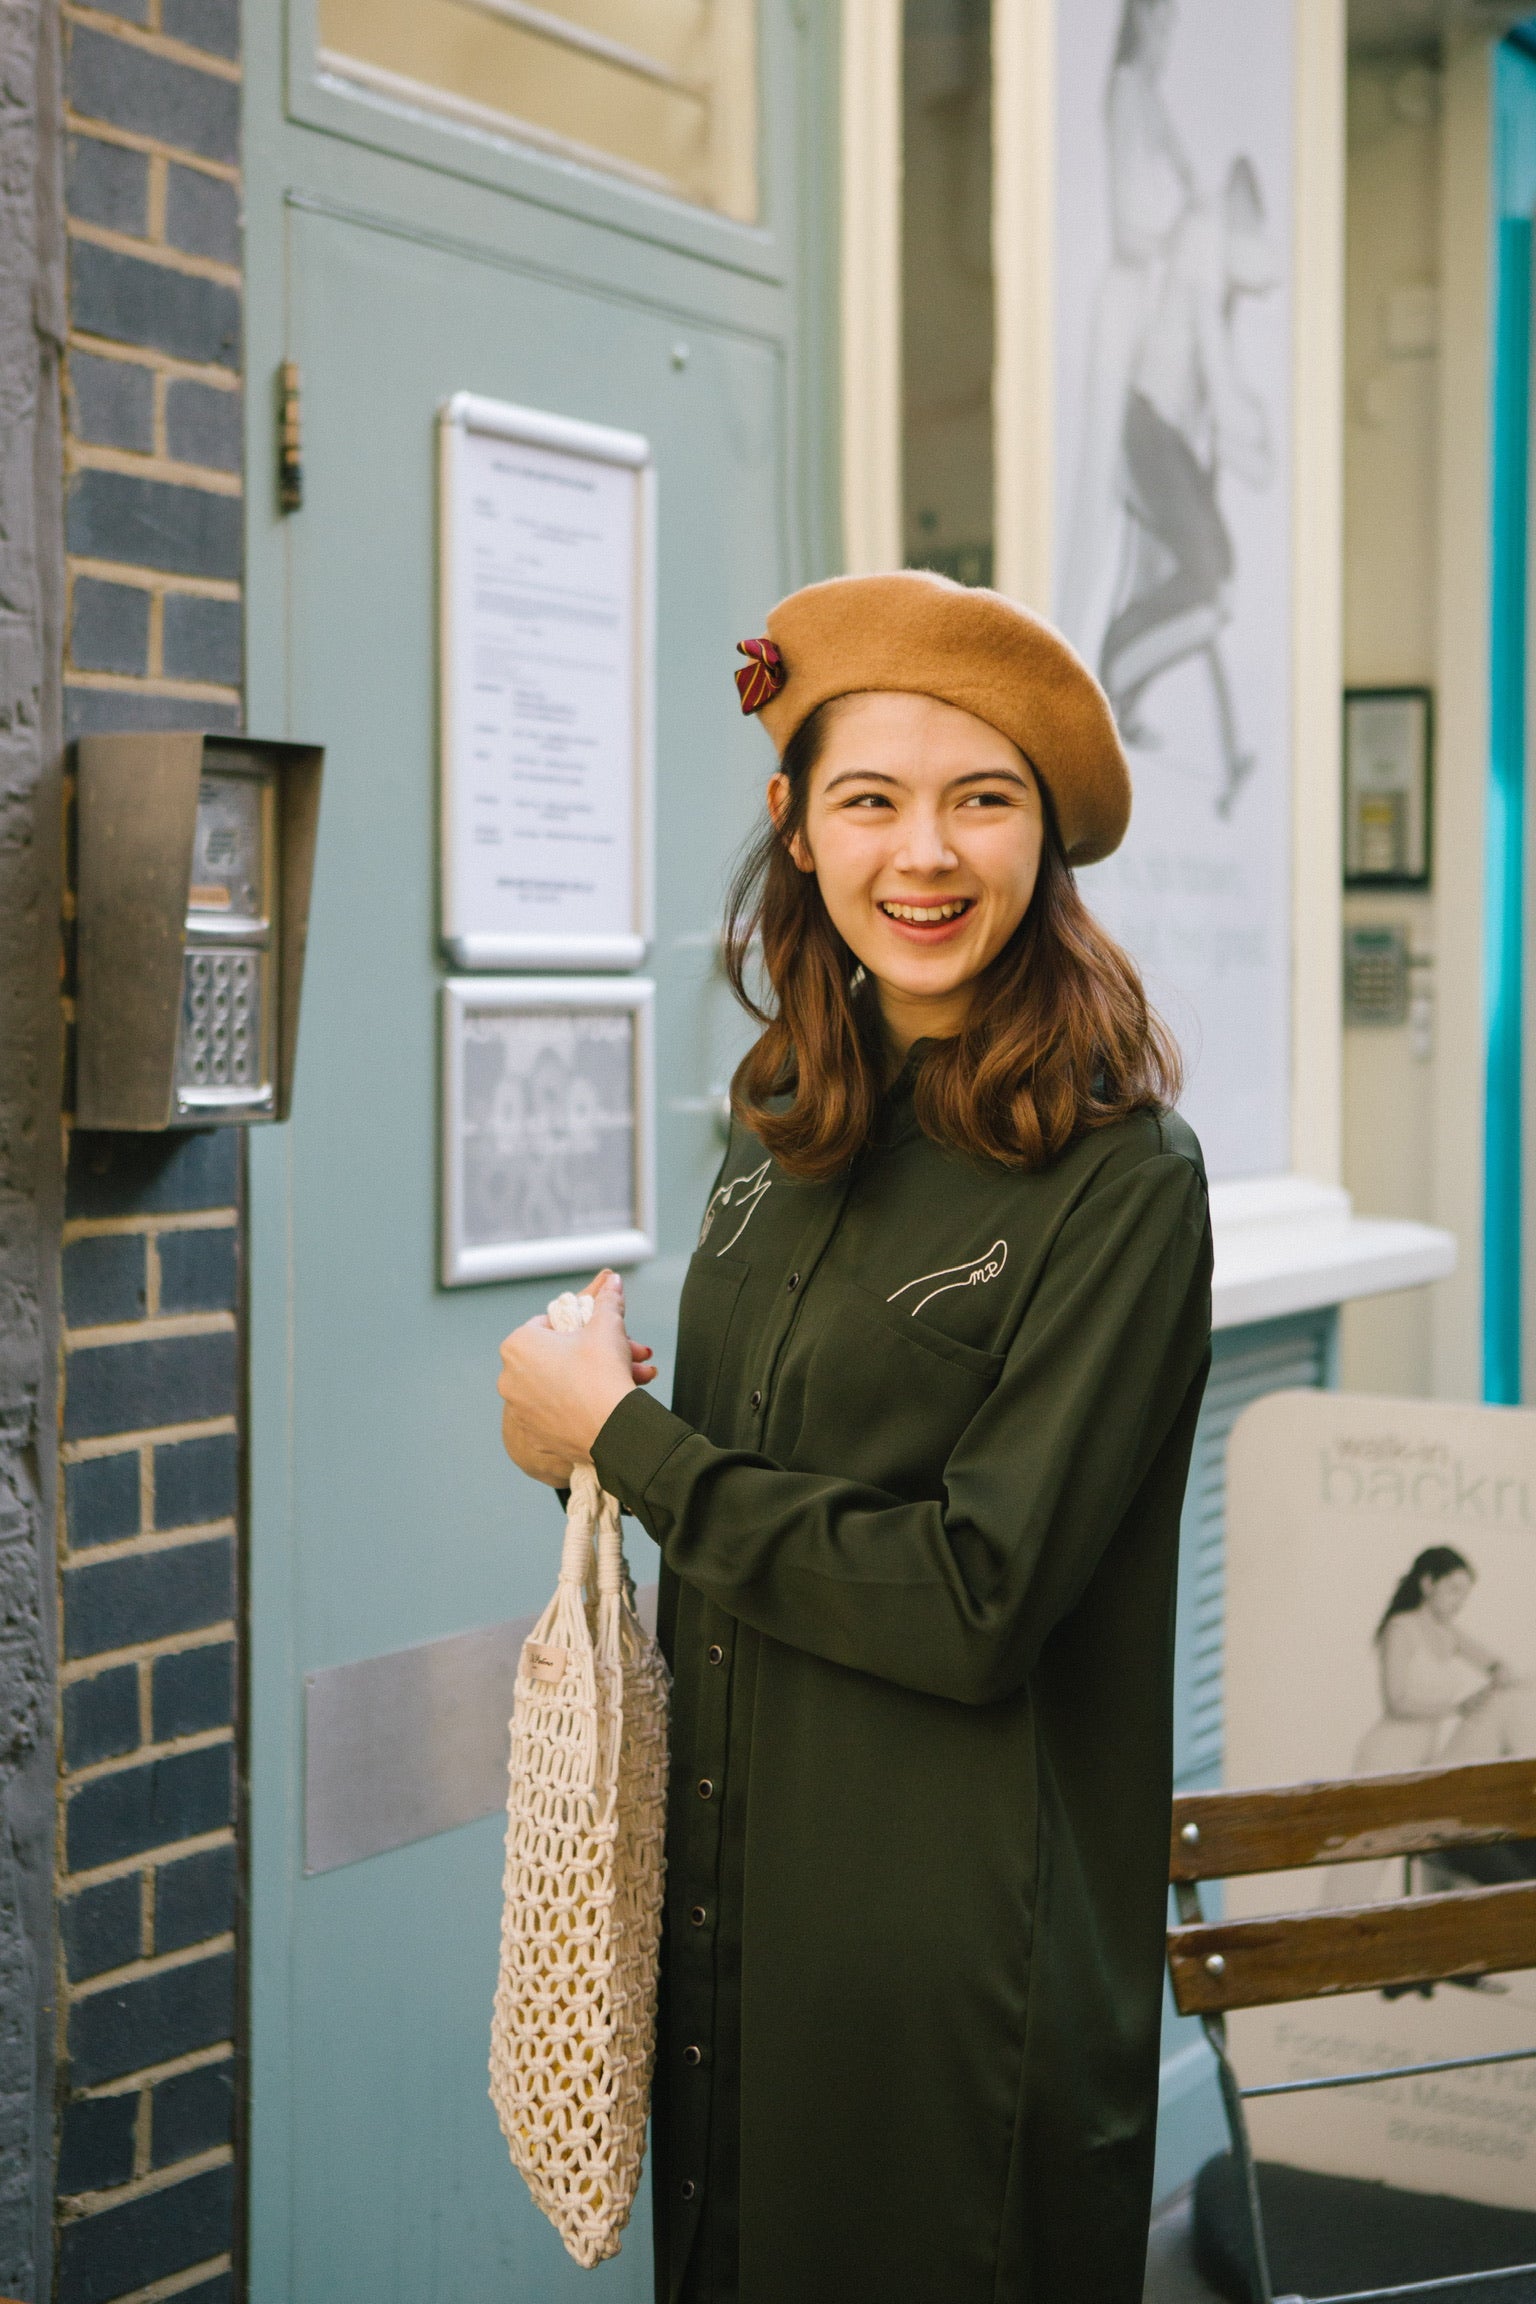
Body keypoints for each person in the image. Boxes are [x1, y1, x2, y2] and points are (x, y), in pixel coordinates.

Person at [495, 570, 1214, 2304]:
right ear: (795, 829)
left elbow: (976, 1593)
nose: (927, 854)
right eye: (870, 798)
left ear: (1047, 835)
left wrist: (636, 1442)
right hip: (743, 1940)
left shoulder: (1120, 1181)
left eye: (982, 800)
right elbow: (761, 1473)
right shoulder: (782, 1116)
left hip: (957, 1994)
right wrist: (583, 1429)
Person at [1098, 155, 1277, 814]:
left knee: (1193, 585)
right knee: (1207, 585)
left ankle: (1120, 697)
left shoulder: (1213, 240)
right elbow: (1208, 348)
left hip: (1169, 433)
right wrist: (1242, 429)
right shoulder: (1206, 233)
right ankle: (1110, 682)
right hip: (1149, 424)